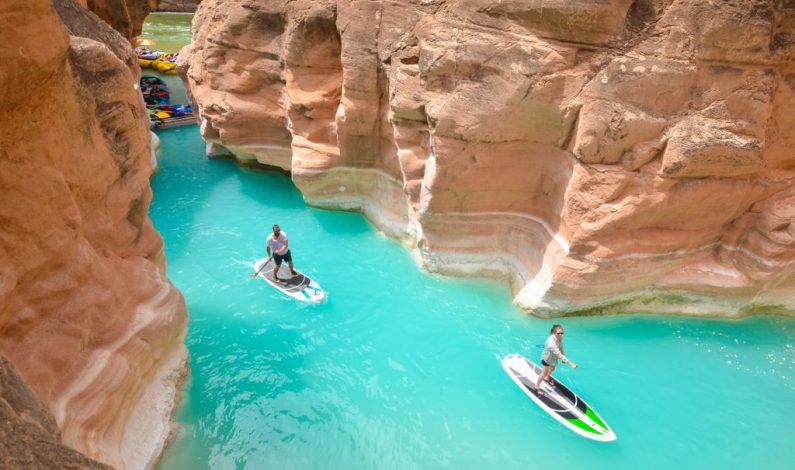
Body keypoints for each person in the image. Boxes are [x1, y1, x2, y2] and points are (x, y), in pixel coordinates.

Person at [535, 324, 577, 395]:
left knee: (552, 369)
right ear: (554, 333)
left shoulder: (560, 338)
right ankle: (536, 386)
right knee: (543, 373)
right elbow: (558, 354)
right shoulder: (551, 343)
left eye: (562, 333)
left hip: (554, 359)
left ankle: (546, 377)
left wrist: (564, 356)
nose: (560, 335)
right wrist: (570, 363)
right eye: (558, 333)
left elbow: (561, 347)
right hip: (546, 359)